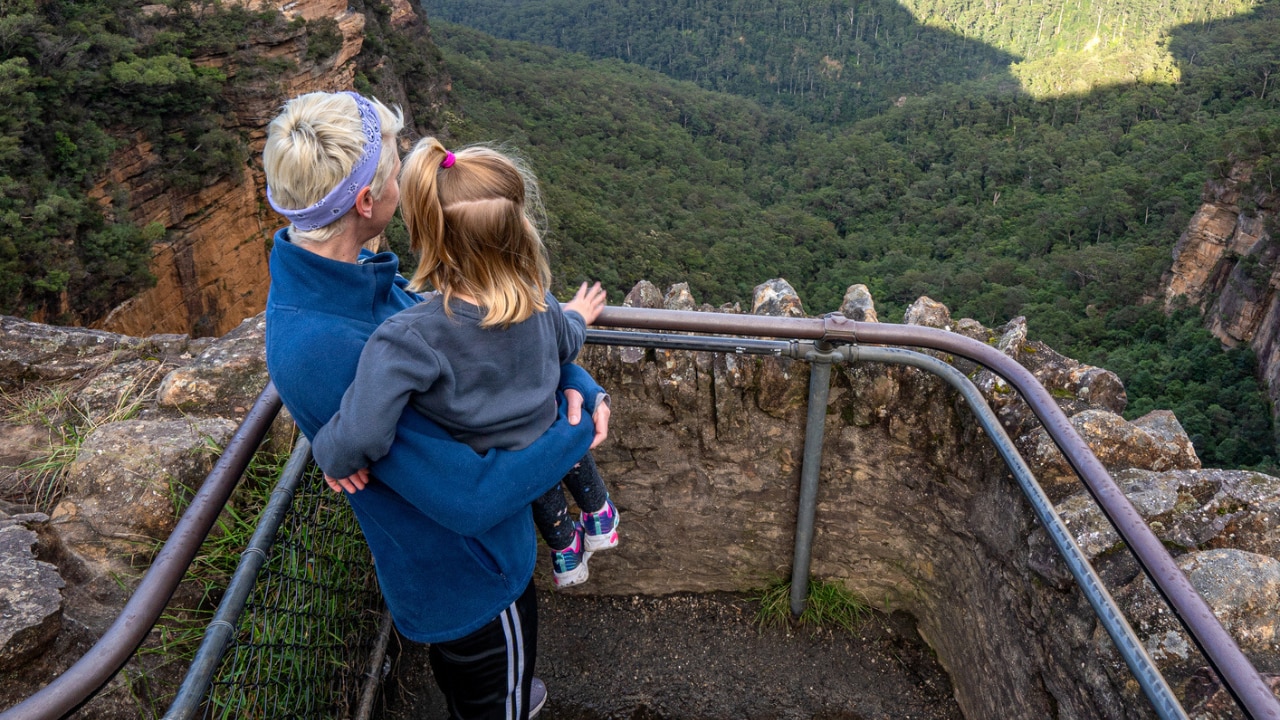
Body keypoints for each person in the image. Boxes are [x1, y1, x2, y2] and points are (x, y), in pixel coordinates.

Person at [262, 90, 609, 719]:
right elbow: (469, 497)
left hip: (464, 566)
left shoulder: (361, 284)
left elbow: (492, 354)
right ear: (367, 201)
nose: (406, 182)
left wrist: (580, 387)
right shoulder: (323, 348)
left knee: (484, 687)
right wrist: (571, 434)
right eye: (396, 171)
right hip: (471, 577)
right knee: (492, 694)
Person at [310, 137, 621, 590]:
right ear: (518, 232)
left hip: (502, 462)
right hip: (549, 431)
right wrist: (578, 313)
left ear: (429, 238)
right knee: (566, 468)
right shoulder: (540, 304)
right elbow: (567, 343)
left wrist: (331, 454)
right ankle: (600, 519)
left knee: (547, 503)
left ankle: (568, 554)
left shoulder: (410, 338)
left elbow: (362, 432)